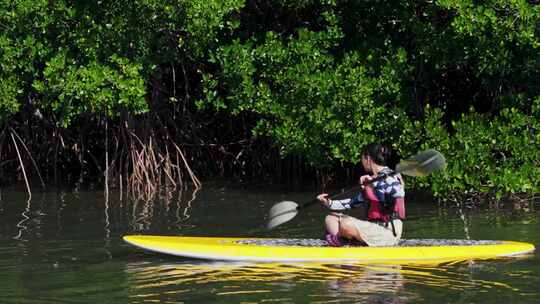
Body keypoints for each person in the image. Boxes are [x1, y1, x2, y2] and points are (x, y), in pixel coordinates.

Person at [317, 143, 405, 247]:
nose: (361, 162)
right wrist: (328, 203)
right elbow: (352, 202)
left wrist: (373, 184)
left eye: (362, 158)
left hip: (389, 231)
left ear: (368, 158)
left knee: (346, 224)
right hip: (373, 227)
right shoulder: (372, 180)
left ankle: (349, 243)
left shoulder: (393, 177)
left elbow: (399, 192)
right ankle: (344, 244)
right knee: (330, 218)